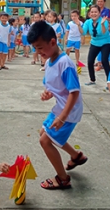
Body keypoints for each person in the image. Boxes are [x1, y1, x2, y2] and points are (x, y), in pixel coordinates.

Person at [27, 21, 87, 190]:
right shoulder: (49, 62)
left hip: (68, 111)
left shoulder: (65, 63)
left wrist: (62, 118)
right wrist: (48, 93)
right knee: (44, 133)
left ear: (52, 42)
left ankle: (63, 179)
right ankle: (76, 156)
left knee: (45, 141)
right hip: (60, 109)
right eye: (35, 49)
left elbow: (74, 92)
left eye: (40, 48)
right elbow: (53, 85)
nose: (38, 53)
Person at [82, 5, 110, 86]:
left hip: (105, 42)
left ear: (99, 13)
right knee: (90, 61)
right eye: (92, 12)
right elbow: (83, 33)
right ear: (89, 14)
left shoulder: (104, 21)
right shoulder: (88, 22)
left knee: (104, 61)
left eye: (96, 12)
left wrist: (102, 24)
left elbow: (103, 33)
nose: (94, 14)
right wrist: (78, 25)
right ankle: (92, 79)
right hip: (94, 43)